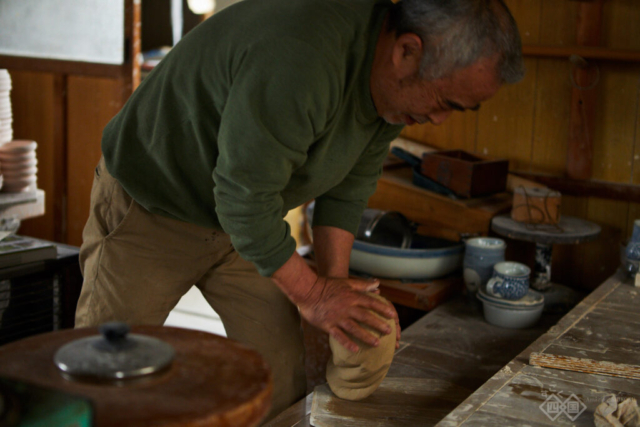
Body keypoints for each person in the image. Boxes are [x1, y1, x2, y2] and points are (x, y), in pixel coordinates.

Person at [75, 0, 524, 420]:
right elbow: (242, 200)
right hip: (154, 204)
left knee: (282, 374)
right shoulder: (302, 57)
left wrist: (336, 290)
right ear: (407, 51)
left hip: (248, 221)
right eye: (445, 102)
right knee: (106, 374)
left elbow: (348, 189)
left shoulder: (394, 92)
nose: (441, 120)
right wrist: (314, 295)